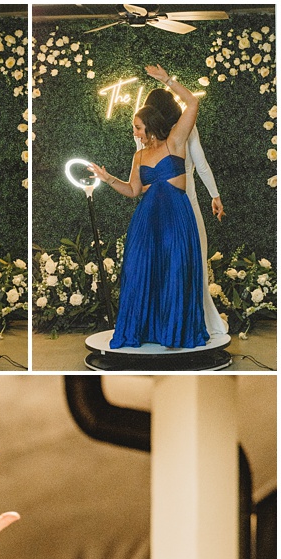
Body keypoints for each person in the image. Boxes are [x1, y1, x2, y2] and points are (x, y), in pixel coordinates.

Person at [88, 65, 208, 350]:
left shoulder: (175, 142)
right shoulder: (139, 155)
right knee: (140, 271)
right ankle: (144, 330)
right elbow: (133, 191)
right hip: (146, 221)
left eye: (138, 127)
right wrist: (107, 179)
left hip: (176, 218)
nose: (136, 133)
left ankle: (173, 334)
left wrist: (167, 80)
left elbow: (192, 102)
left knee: (176, 271)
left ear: (151, 126)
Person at [140, 85, 229, 338]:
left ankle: (161, 323)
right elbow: (200, 164)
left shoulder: (146, 133)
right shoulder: (185, 128)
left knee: (160, 264)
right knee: (195, 262)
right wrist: (215, 195)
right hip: (186, 203)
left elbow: (142, 173)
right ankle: (196, 319)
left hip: (156, 207)